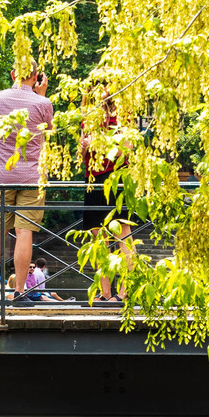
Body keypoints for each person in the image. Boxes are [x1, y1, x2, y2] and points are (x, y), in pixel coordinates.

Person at [0, 69, 53, 305]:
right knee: (24, 233)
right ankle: (19, 292)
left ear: (12, 73)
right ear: (36, 76)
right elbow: (49, 133)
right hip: (31, 178)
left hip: (1, 176)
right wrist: (40, 94)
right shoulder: (43, 103)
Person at [82, 94, 131, 303]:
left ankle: (124, 293)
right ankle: (106, 293)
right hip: (92, 178)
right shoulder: (87, 117)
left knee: (123, 235)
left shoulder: (122, 115)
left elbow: (126, 149)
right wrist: (85, 146)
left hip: (116, 178)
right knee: (97, 238)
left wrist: (100, 146)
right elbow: (81, 152)